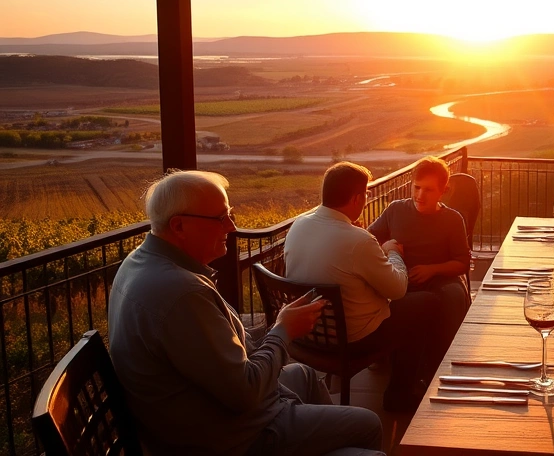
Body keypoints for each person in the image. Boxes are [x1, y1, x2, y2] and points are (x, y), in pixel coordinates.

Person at [108, 171, 384, 456]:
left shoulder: (140, 263)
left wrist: (277, 329)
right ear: (178, 226)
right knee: (368, 423)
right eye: (220, 219)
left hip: (206, 412)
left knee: (304, 374)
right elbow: (246, 392)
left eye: (230, 215)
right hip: (231, 436)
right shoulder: (182, 294)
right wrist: (283, 331)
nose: (231, 227)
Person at [284, 162, 442, 412]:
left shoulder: (299, 225)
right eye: (366, 194)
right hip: (351, 340)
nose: (366, 199)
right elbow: (398, 288)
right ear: (357, 198)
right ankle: (399, 395)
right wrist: (393, 253)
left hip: (305, 333)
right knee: (426, 304)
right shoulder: (358, 240)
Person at [368, 156, 471, 364]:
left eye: (428, 190)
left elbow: (462, 263)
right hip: (400, 282)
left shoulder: (452, 219)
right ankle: (396, 360)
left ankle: (443, 360)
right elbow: (367, 242)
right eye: (416, 187)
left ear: (444, 191)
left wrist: (432, 270)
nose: (420, 195)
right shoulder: (396, 210)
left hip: (439, 281)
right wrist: (387, 249)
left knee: (454, 294)